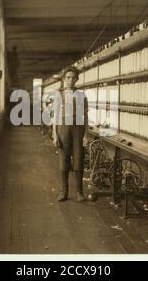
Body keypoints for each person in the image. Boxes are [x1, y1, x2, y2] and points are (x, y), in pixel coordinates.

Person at [52, 66, 89, 202]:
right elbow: (54, 116)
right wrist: (55, 135)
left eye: (73, 78)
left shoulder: (81, 96)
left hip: (77, 131)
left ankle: (80, 192)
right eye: (68, 77)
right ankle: (64, 192)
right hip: (63, 130)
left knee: (79, 161)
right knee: (64, 162)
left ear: (77, 79)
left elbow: (85, 116)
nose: (70, 80)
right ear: (63, 79)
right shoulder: (58, 95)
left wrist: (86, 135)